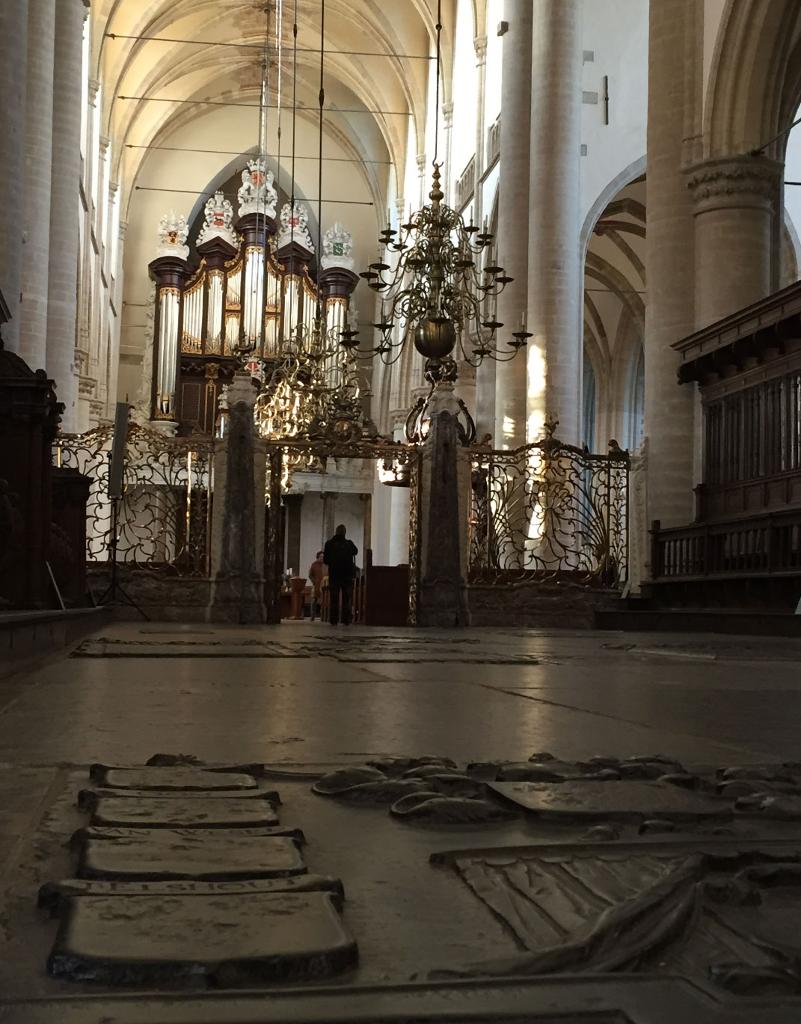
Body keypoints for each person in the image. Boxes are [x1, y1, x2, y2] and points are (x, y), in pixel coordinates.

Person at [323, 524, 358, 625]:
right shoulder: (349, 544)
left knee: (334, 598)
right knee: (346, 598)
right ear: (345, 533)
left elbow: (326, 560)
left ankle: (333, 619)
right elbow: (356, 551)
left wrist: (334, 562)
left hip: (334, 574)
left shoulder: (329, 544)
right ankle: (345, 619)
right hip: (347, 575)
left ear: (336, 532)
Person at [308, 550, 327, 621]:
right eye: (321, 557)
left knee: (324, 600)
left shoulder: (326, 565)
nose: (322, 558)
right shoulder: (314, 565)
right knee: (313, 600)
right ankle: (312, 616)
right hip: (316, 584)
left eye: (323, 557)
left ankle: (323, 615)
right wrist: (314, 582)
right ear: (318, 557)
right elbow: (310, 575)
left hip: (324, 585)